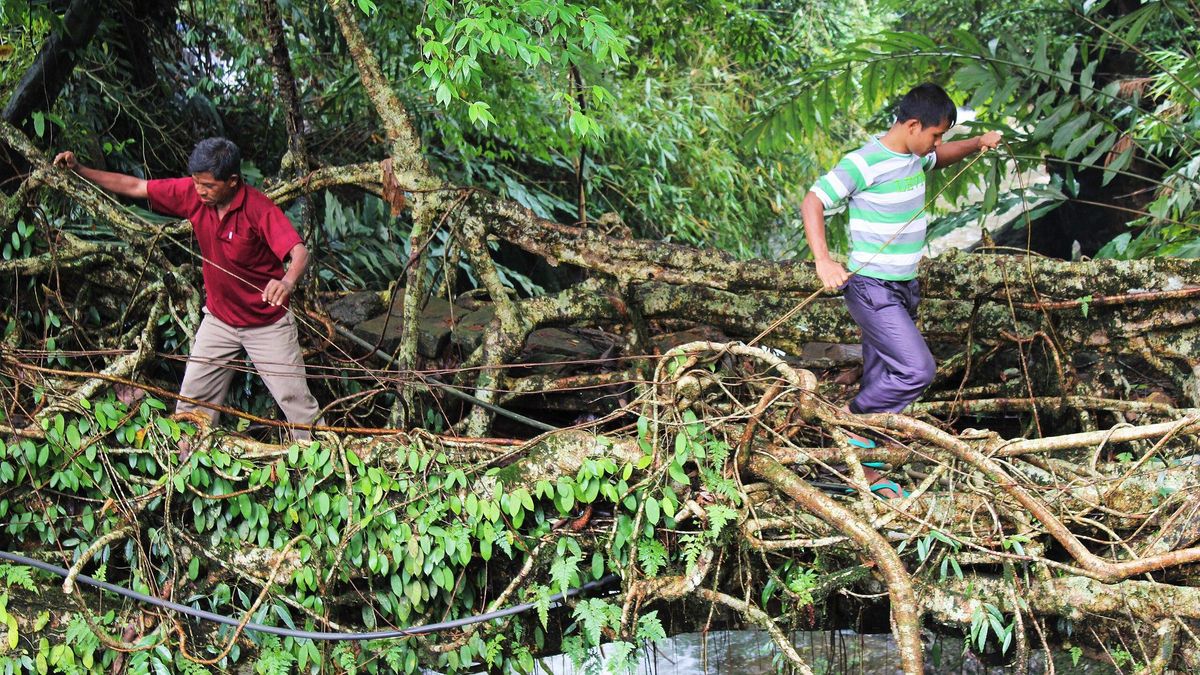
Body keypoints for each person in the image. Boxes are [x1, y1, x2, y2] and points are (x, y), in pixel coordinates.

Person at [800, 83, 1002, 497]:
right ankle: (848, 422)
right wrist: (824, 260)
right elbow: (813, 201)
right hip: (871, 289)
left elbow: (939, 157)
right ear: (912, 125)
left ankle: (858, 474)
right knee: (916, 370)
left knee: (885, 374)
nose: (938, 143)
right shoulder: (864, 163)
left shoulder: (914, 156)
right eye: (935, 133)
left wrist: (977, 142)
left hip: (904, 288)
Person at [54, 138, 323, 442]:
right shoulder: (193, 194)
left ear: (232, 181)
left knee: (295, 401)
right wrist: (80, 170)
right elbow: (135, 187)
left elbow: (299, 252)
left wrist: (287, 282)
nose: (199, 191)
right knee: (192, 404)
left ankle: (322, 466)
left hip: (267, 323)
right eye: (196, 183)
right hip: (220, 320)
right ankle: (191, 461)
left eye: (207, 185)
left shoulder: (258, 209)